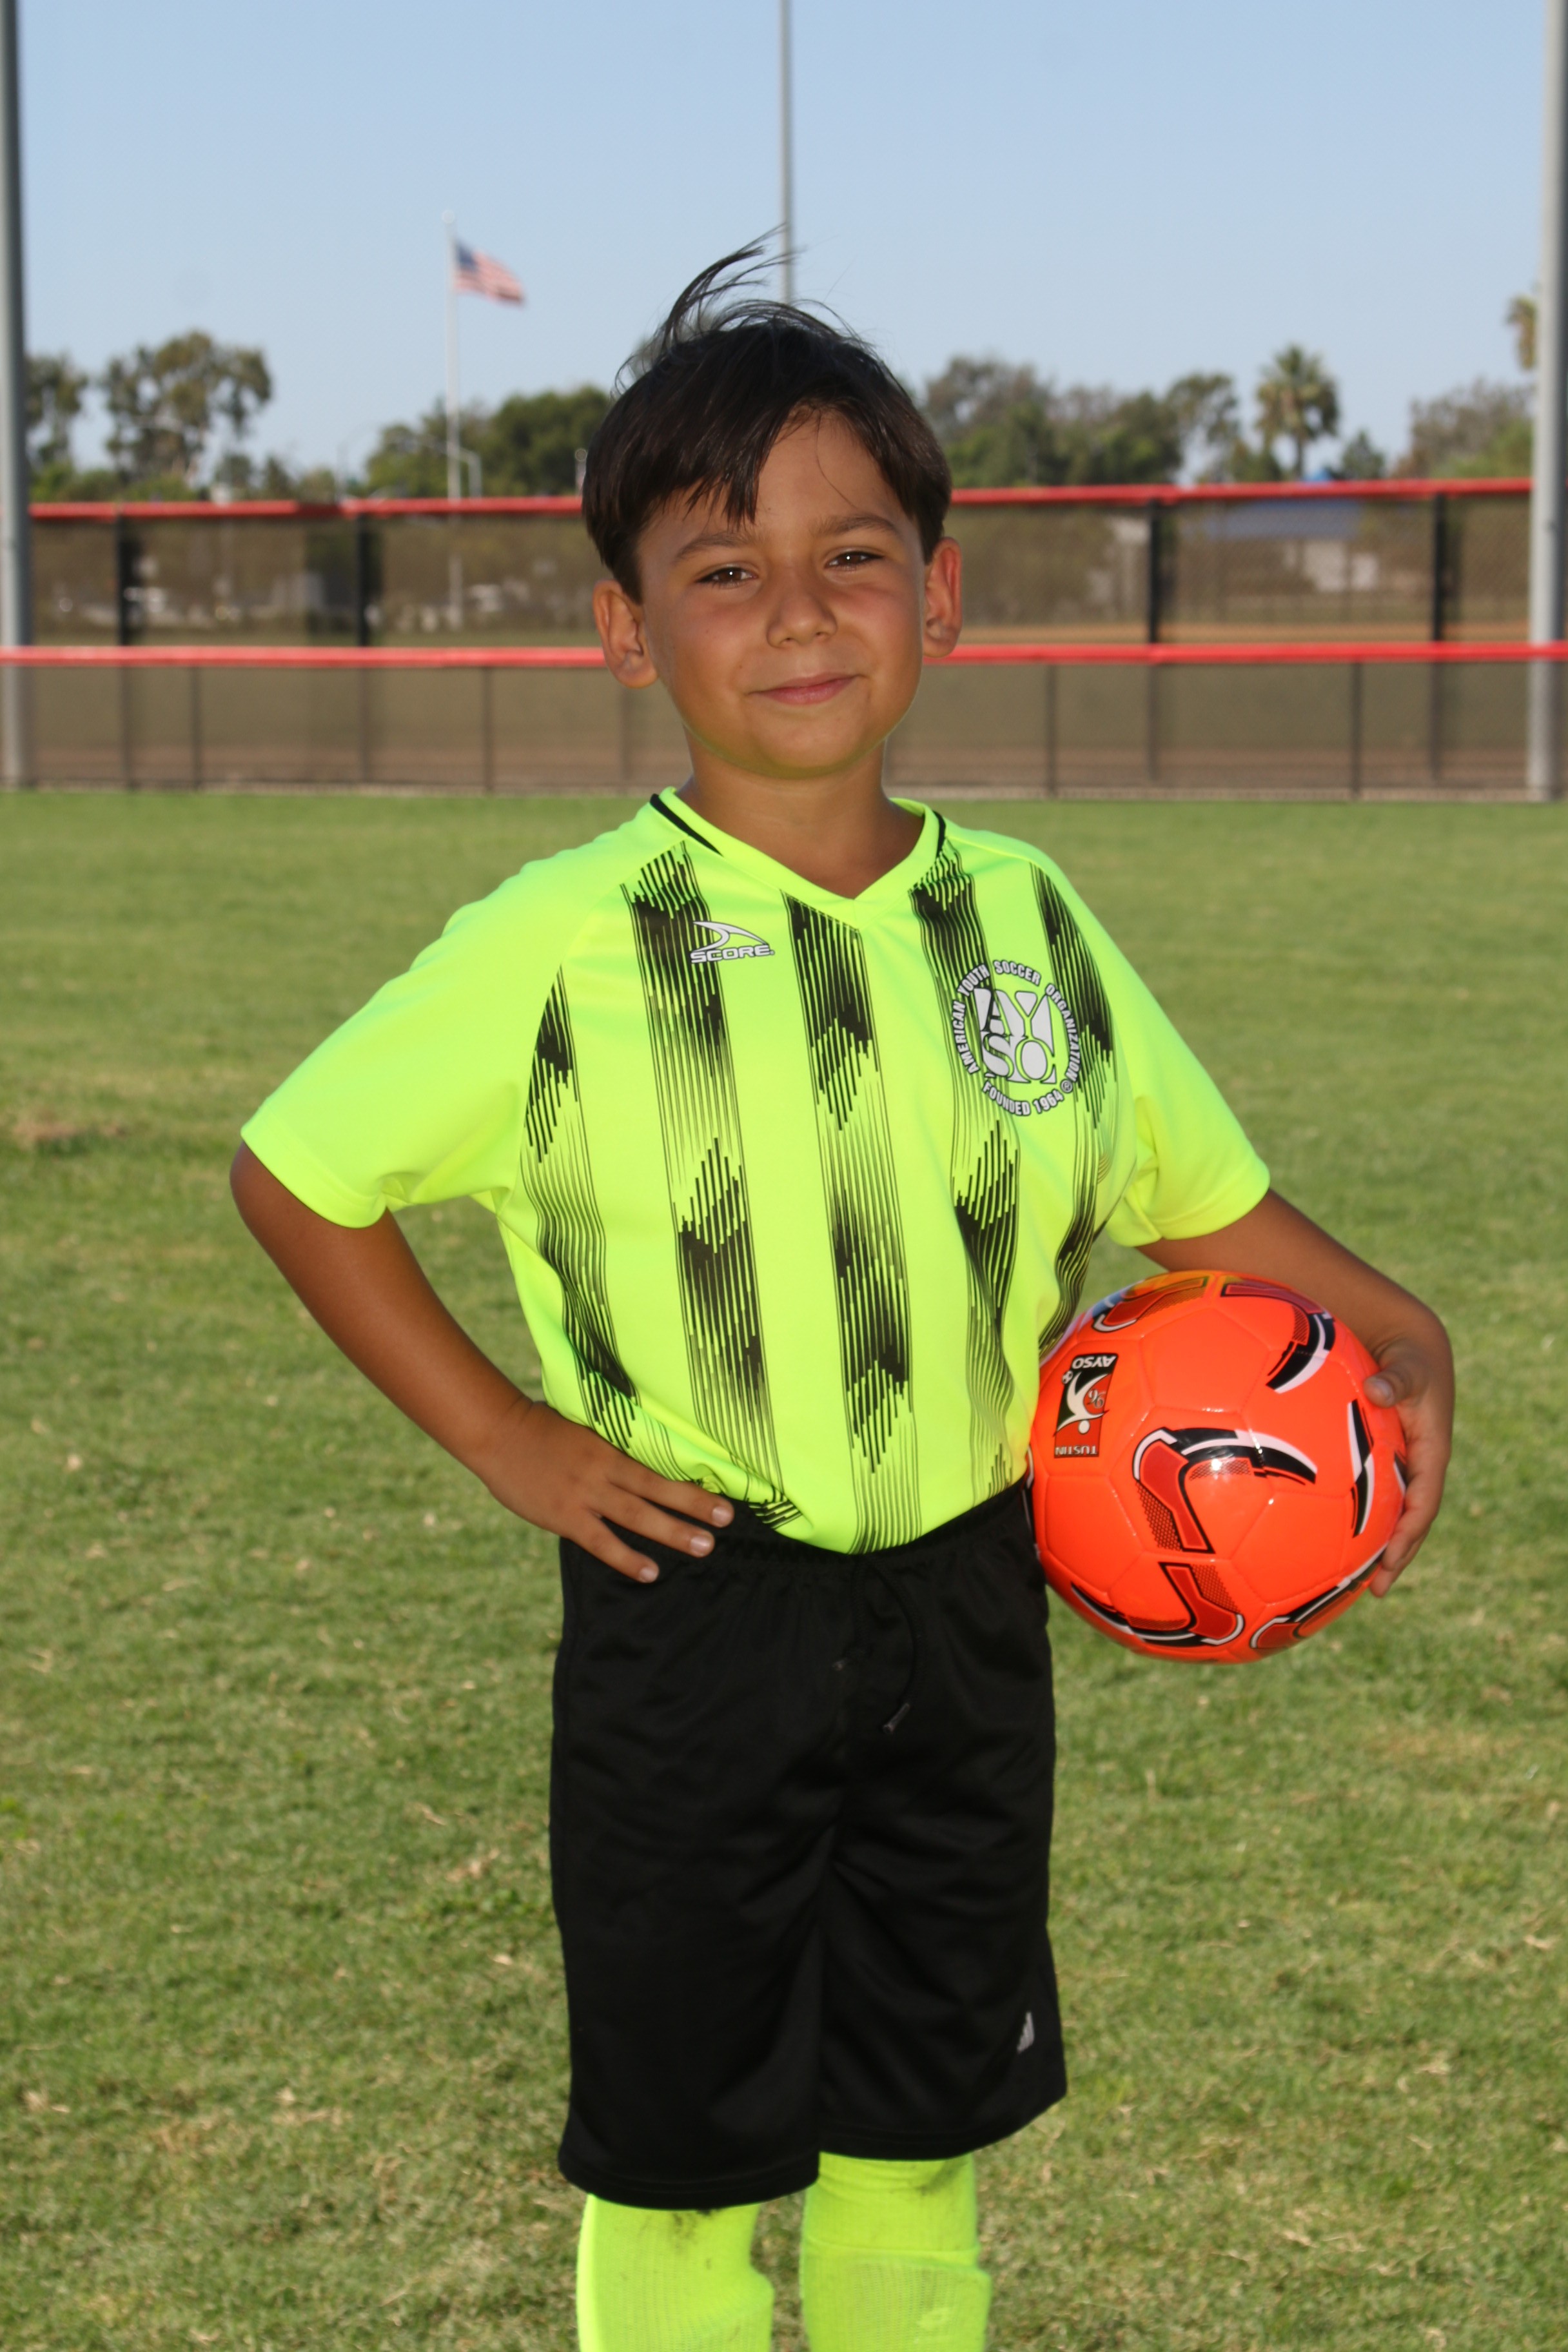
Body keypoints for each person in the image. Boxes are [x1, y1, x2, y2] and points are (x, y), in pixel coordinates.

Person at [231, 248, 1453, 2352]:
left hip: (972, 1606)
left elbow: (1213, 1218)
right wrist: (511, 1438)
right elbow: (299, 1173)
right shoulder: (563, 941)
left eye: (852, 555)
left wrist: (1410, 1347)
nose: (798, 613)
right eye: (725, 570)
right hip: (696, 1613)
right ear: (627, 631)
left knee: (921, 2140)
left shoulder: (1027, 924)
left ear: (941, 596)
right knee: (684, 2158)